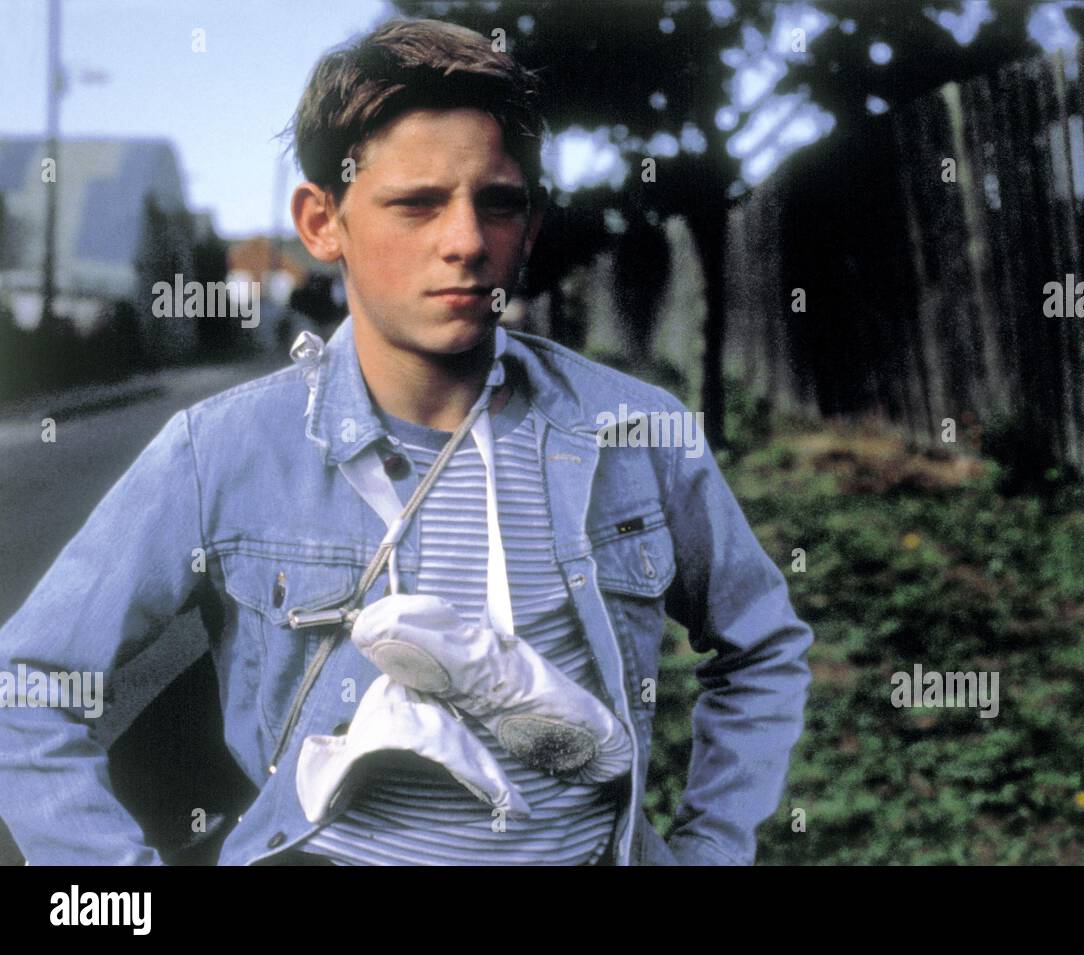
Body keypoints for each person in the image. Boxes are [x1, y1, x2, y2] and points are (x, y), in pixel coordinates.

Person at [0, 17, 813, 866]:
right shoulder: (220, 449)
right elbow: (27, 686)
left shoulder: (635, 428)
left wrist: (711, 846)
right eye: (417, 203)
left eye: (497, 203)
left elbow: (763, 646)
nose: (465, 242)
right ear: (322, 223)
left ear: (528, 224)